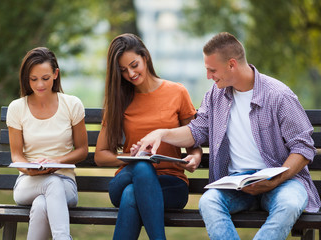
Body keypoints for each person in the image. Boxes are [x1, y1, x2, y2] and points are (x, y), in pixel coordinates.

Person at [136, 32, 321, 240]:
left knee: (290, 204)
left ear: (232, 64)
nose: (208, 76)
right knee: (208, 202)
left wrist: (274, 180)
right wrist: (162, 133)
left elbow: (303, 147)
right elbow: (196, 131)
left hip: (282, 182)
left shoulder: (278, 95)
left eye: (212, 70)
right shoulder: (216, 95)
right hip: (236, 184)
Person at [94, 33, 200, 240]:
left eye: (134, 65)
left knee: (131, 195)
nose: (130, 74)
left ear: (145, 57)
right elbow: (100, 155)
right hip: (126, 177)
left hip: (171, 183)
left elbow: (193, 141)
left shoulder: (177, 92)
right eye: (123, 70)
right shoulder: (119, 100)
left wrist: (195, 158)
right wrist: (132, 159)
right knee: (142, 168)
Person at [6, 47, 88, 240]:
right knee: (50, 184)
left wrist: (56, 162)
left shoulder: (72, 105)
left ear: (55, 74)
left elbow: (83, 150)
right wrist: (29, 170)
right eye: (33, 79)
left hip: (65, 184)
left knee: (43, 203)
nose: (40, 84)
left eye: (45, 78)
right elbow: (16, 155)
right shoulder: (17, 108)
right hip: (28, 182)